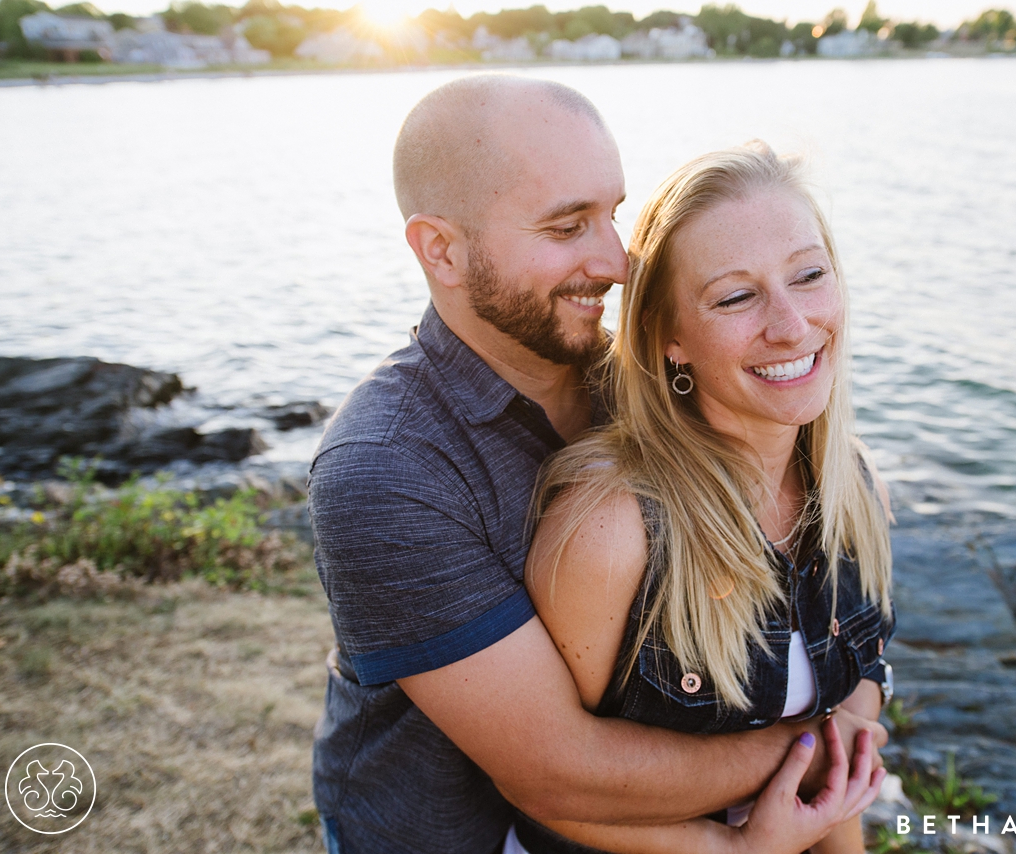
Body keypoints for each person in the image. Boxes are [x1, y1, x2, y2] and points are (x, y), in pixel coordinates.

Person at [309, 75, 887, 854]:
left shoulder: (658, 396)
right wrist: (810, 753)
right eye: (565, 226)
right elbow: (560, 773)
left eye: (611, 215)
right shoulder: (384, 470)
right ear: (440, 249)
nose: (617, 263)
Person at [510, 142, 896, 854]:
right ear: (671, 340)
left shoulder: (851, 489)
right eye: (736, 296)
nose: (790, 324)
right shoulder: (612, 529)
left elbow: (854, 711)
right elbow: (552, 792)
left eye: (809, 275)